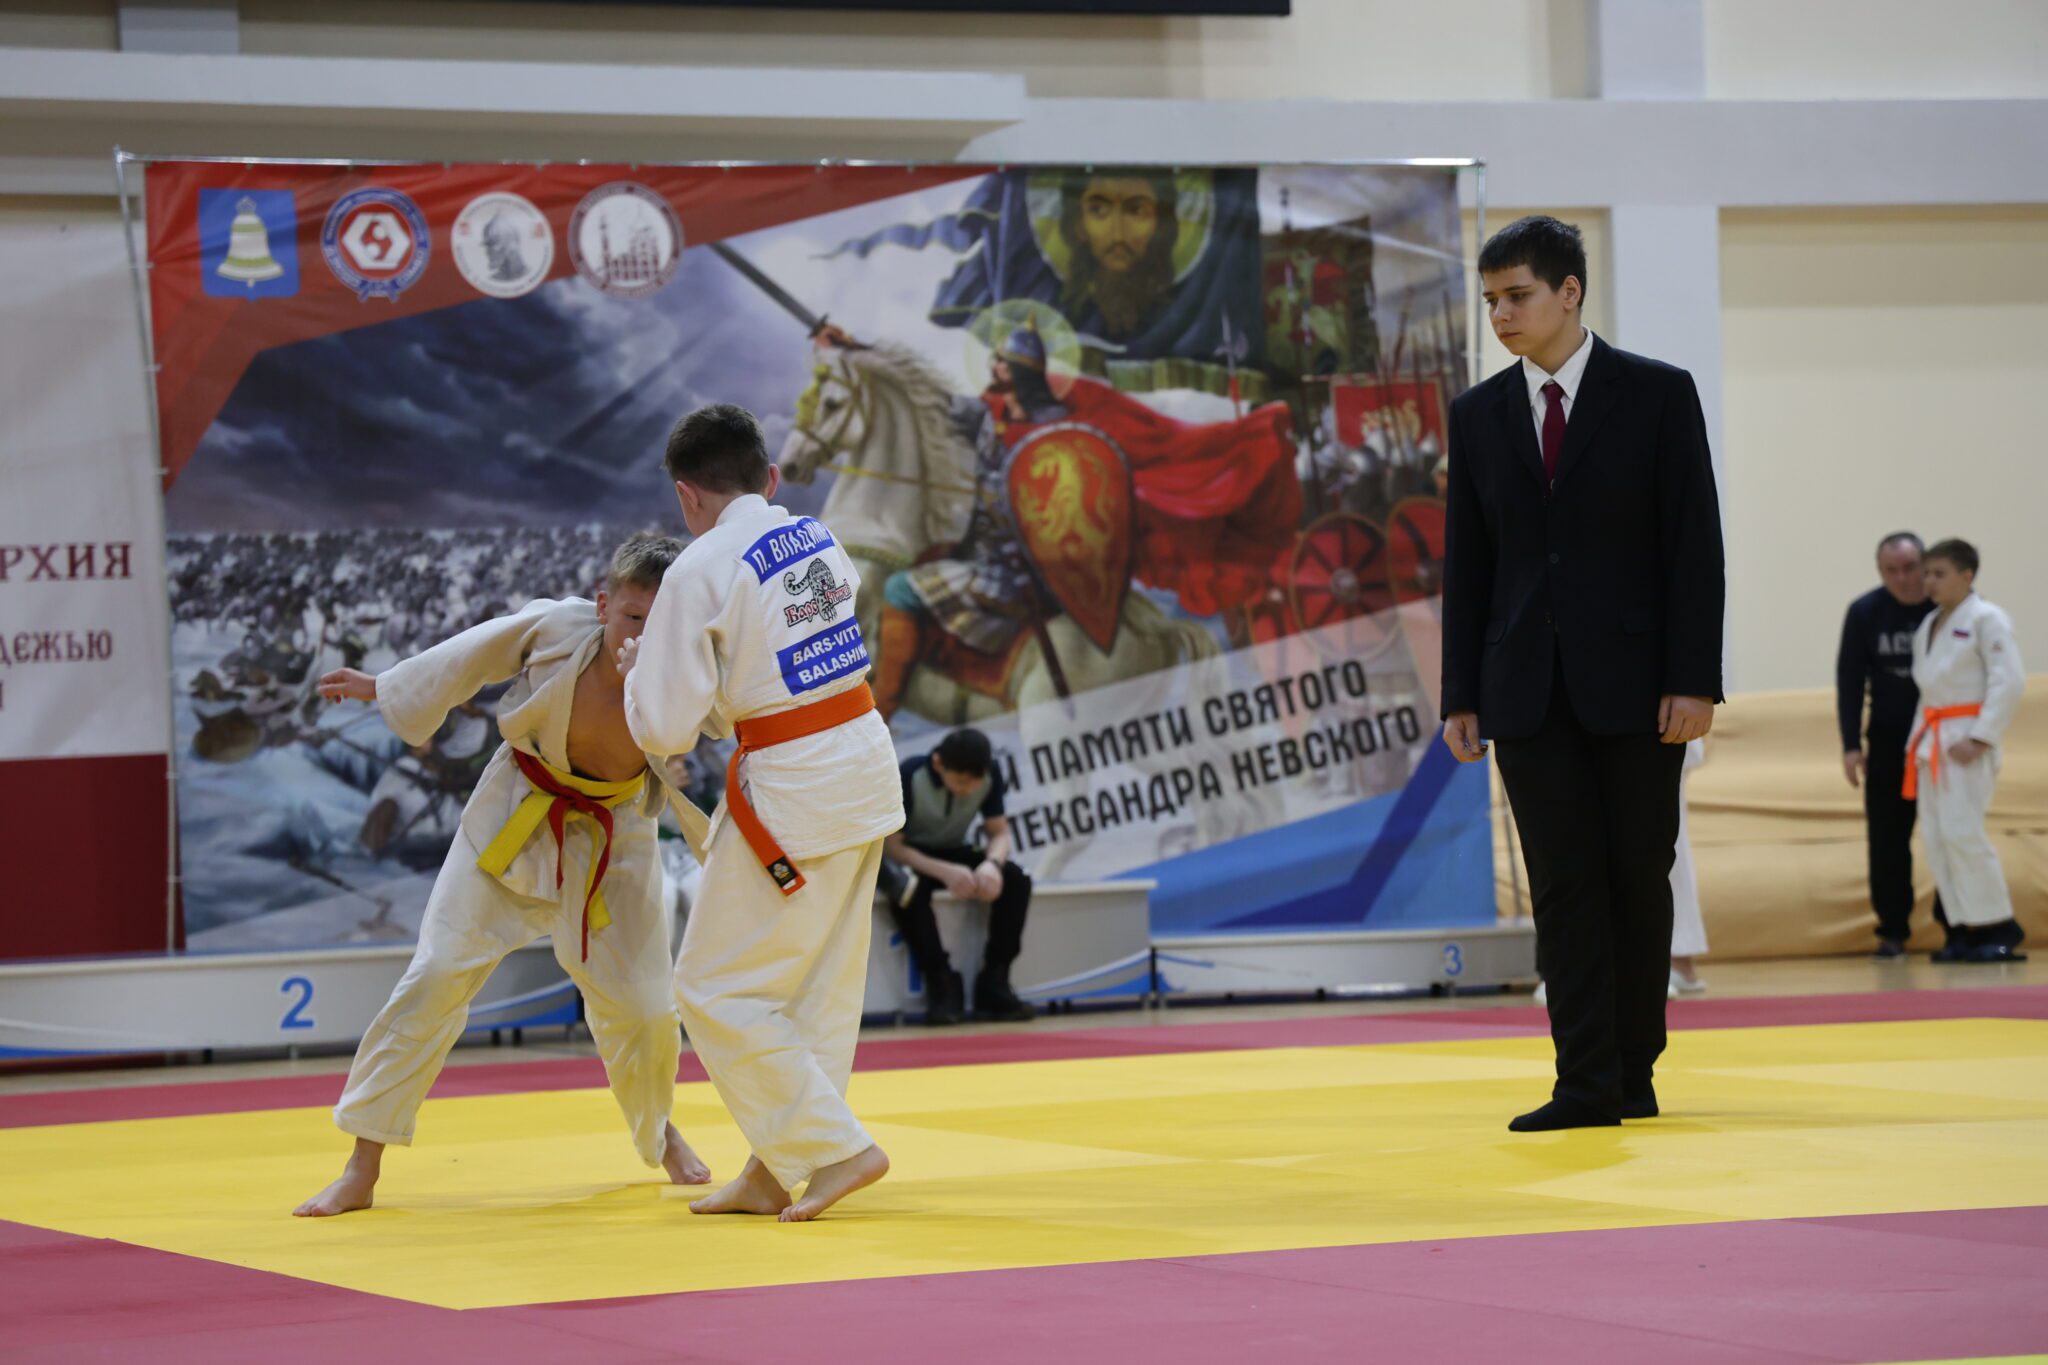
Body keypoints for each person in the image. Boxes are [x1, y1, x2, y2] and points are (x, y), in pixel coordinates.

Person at [293, 533, 714, 1218]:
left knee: (646, 1011)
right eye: (632, 616)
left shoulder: (688, 668)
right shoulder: (557, 629)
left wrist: (664, 681)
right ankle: (362, 1164)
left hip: (615, 837)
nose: (642, 633)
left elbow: (726, 716)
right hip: (516, 813)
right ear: (603, 605)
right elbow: (472, 654)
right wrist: (386, 687)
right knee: (437, 973)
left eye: (661, 621)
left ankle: (657, 1128)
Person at [1441, 215, 1725, 1132]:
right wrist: (1461, 693)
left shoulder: (1658, 394)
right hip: (1524, 687)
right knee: (1562, 885)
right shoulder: (1477, 414)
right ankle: (1584, 1080)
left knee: (1638, 876)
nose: (1501, 314)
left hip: (1642, 687)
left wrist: (1694, 678)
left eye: (1517, 295)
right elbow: (1468, 565)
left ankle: (1635, 1067)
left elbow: (1694, 547)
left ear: (1569, 292)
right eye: (1491, 299)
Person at [621, 403, 905, 1223]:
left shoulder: (699, 567)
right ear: (770, 477)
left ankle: (837, 1148)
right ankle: (778, 1167)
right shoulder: (819, 539)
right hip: (862, 763)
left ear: (687, 495)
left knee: (710, 985)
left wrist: (639, 673)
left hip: (795, 786)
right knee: (818, 987)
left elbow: (665, 728)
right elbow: (768, 676)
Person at [1906, 538, 2027, 963]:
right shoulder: (1929, 625)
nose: (1929, 581)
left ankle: (2000, 926)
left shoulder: (1987, 618)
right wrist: (1916, 744)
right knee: (1937, 837)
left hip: (1966, 740)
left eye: (1939, 574)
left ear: (1967, 575)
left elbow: (2009, 681)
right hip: (1932, 742)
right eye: (1927, 573)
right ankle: (1960, 928)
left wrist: (1981, 737)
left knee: (1964, 833)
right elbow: (1928, 693)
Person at [1838, 532, 1950, 958]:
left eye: (1910, 568)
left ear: (1925, 565)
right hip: (1887, 745)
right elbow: (1850, 682)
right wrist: (1851, 745)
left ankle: (1956, 927)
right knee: (1886, 841)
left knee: (1947, 835)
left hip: (1940, 742)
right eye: (1892, 570)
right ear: (1880, 572)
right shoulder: (1865, 612)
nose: (1903, 578)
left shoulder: (1947, 610)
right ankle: (1892, 930)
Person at [879, 728, 1036, 1025]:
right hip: (914, 855)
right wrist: (945, 871)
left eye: (975, 784)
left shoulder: (990, 774)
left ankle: (995, 981)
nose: (967, 790)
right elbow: (893, 847)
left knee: (1016, 880)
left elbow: (999, 833)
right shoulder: (910, 774)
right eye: (961, 782)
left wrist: (992, 865)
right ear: (939, 764)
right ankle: (940, 981)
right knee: (908, 890)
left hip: (954, 849)